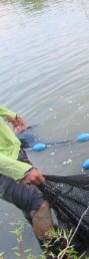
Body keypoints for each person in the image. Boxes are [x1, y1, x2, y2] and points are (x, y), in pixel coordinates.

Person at [0, 105, 55, 247]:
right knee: (39, 205)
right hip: (4, 168)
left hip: (11, 151)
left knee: (32, 204)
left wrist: (9, 114)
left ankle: (48, 234)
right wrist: (19, 170)